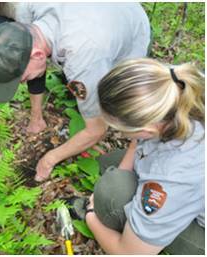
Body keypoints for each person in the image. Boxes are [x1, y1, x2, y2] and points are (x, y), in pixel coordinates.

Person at [0, 3, 151, 181]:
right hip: (98, 15)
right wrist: (36, 118)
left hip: (131, 24)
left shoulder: (83, 58)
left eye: (22, 77)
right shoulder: (28, 18)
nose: (22, 82)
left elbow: (97, 130)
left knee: (115, 102)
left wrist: (49, 159)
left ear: (37, 55)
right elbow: (35, 59)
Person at [69, 58, 205, 254]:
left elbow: (130, 254)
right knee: (110, 166)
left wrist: (91, 214)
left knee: (110, 195)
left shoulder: (175, 173)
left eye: (119, 129)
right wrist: (121, 173)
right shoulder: (171, 84)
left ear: (147, 129)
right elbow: (136, 144)